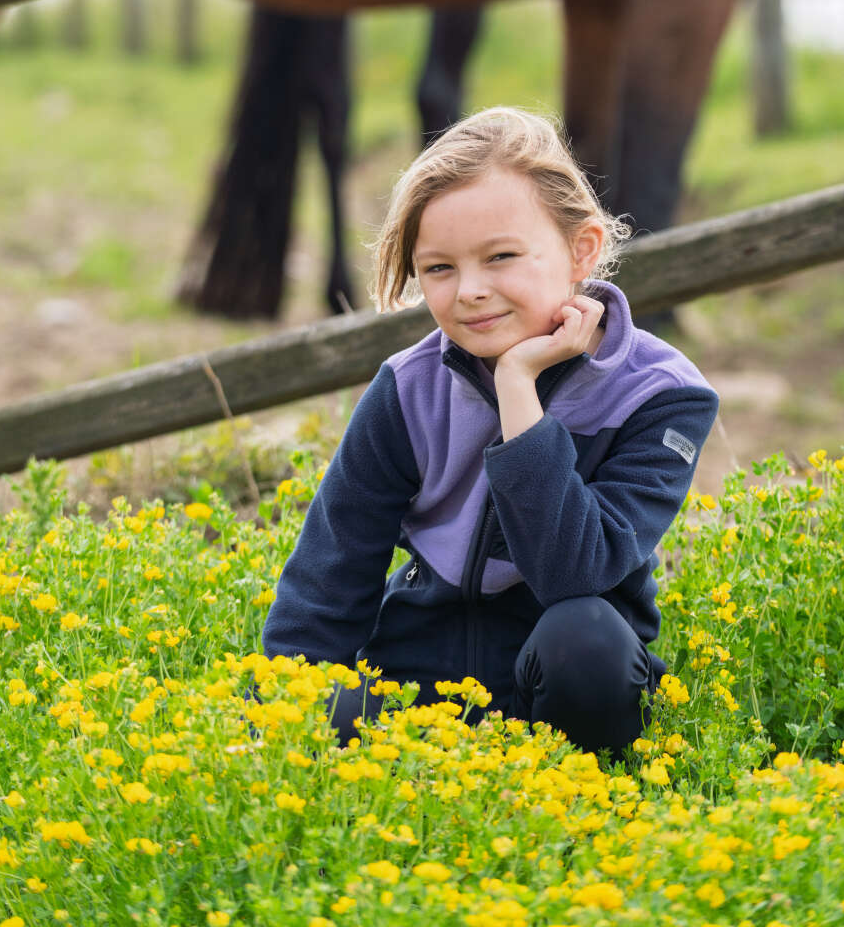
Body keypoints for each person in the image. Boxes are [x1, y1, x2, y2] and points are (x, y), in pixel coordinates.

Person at [261, 106, 718, 754]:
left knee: (585, 633)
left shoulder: (660, 395)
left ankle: (577, 790)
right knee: (313, 704)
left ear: (580, 249)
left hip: (560, 682)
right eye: (439, 269)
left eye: (500, 256)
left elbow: (572, 573)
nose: (469, 290)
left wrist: (516, 389)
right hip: (413, 687)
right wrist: (281, 718)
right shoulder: (407, 386)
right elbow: (330, 575)